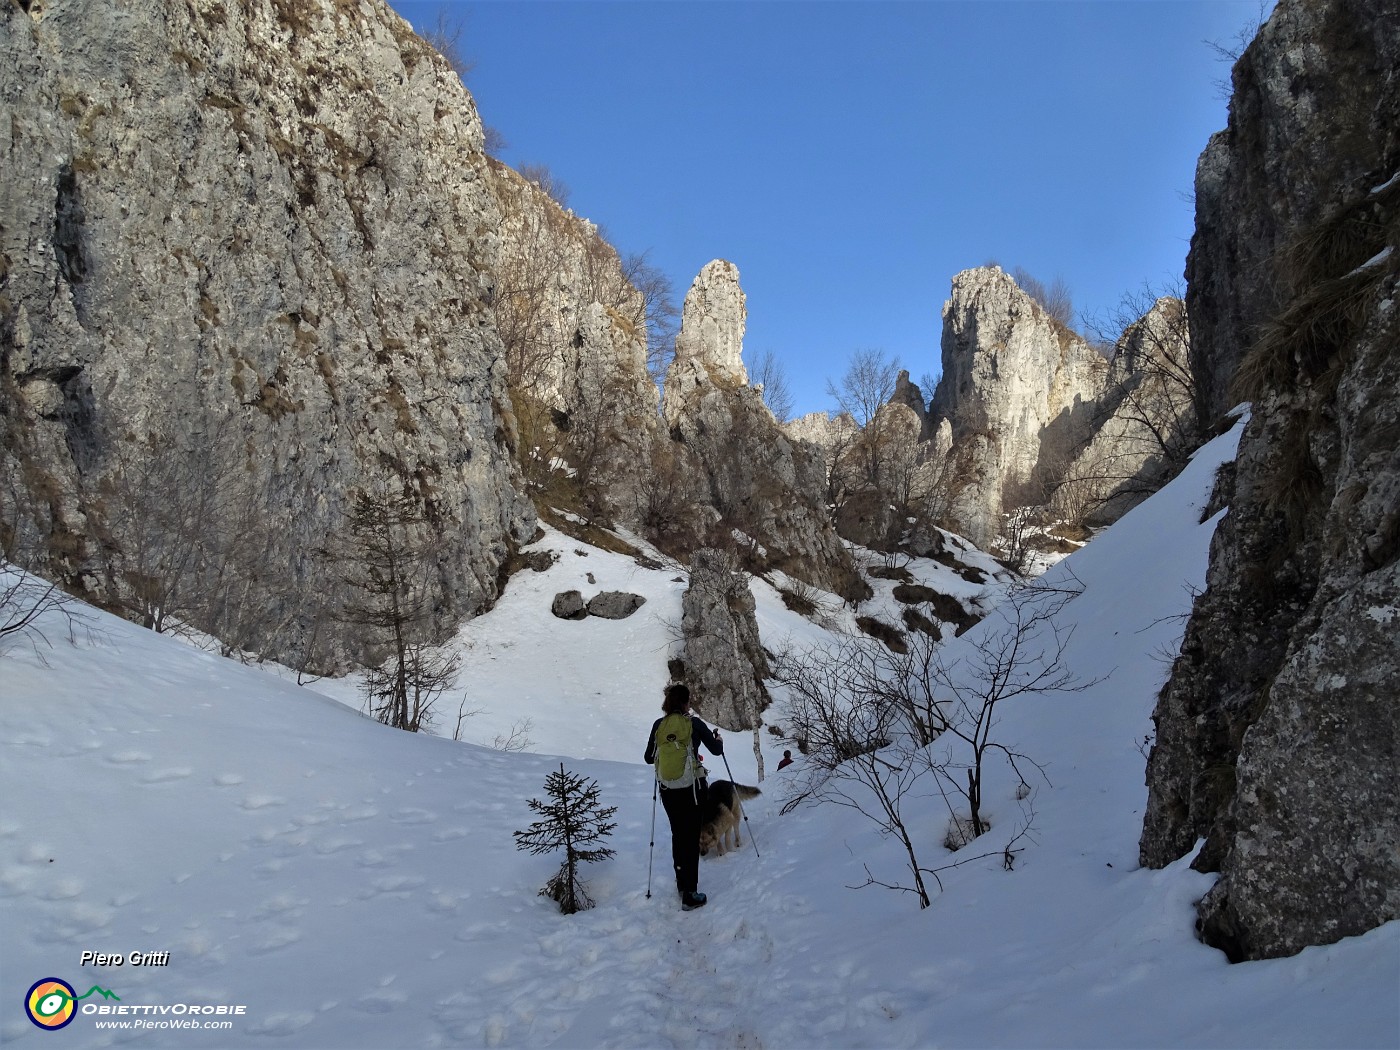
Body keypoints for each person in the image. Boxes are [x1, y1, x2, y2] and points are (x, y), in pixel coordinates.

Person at [644, 683, 722, 910]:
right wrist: (718, 741)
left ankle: (681, 884)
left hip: (668, 790)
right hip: (693, 790)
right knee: (690, 837)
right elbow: (716, 751)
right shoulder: (694, 724)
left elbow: (649, 757)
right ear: (686, 702)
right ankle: (690, 892)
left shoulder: (659, 725)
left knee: (678, 835)